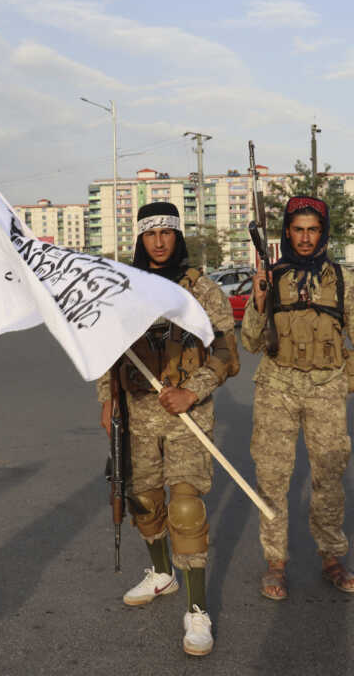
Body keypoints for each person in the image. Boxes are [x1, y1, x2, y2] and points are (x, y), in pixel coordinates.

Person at [97, 202, 238, 657]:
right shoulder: (124, 289)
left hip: (186, 418)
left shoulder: (202, 290)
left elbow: (226, 352)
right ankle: (162, 574)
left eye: (167, 232)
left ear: (178, 237)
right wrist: (106, 398)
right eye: (151, 233)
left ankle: (197, 609)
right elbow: (105, 349)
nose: (159, 241)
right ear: (140, 238)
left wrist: (193, 392)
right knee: (144, 503)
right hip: (137, 416)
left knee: (185, 510)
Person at [241, 195, 354, 601]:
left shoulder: (342, 280)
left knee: (328, 478)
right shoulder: (273, 276)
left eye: (313, 230)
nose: (305, 239)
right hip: (276, 388)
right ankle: (276, 562)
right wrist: (257, 300)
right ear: (287, 233)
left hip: (327, 388)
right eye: (298, 230)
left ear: (323, 234)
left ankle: (331, 557)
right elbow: (251, 342)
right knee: (272, 479)